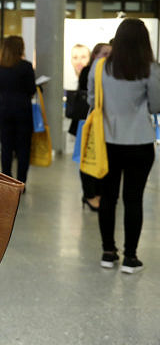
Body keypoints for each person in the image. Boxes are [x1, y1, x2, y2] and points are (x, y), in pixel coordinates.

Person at [89, 19, 160, 274]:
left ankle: (108, 253)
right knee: (134, 199)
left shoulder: (100, 66)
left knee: (108, 197)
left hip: (107, 141)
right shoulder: (150, 69)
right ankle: (131, 258)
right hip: (139, 142)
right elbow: (156, 105)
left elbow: (92, 100)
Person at [69, 42, 111, 211]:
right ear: (95, 55)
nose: (108, 57)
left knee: (98, 155)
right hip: (86, 119)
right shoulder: (90, 71)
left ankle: (96, 193)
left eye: (110, 53)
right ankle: (89, 194)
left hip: (99, 120)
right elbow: (91, 96)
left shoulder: (109, 71)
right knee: (85, 156)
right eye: (104, 53)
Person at [0, 36, 35, 185]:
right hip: (23, 110)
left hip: (5, 109)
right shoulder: (26, 66)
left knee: (6, 147)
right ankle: (21, 182)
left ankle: (7, 181)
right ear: (20, 48)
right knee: (23, 148)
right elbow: (31, 89)